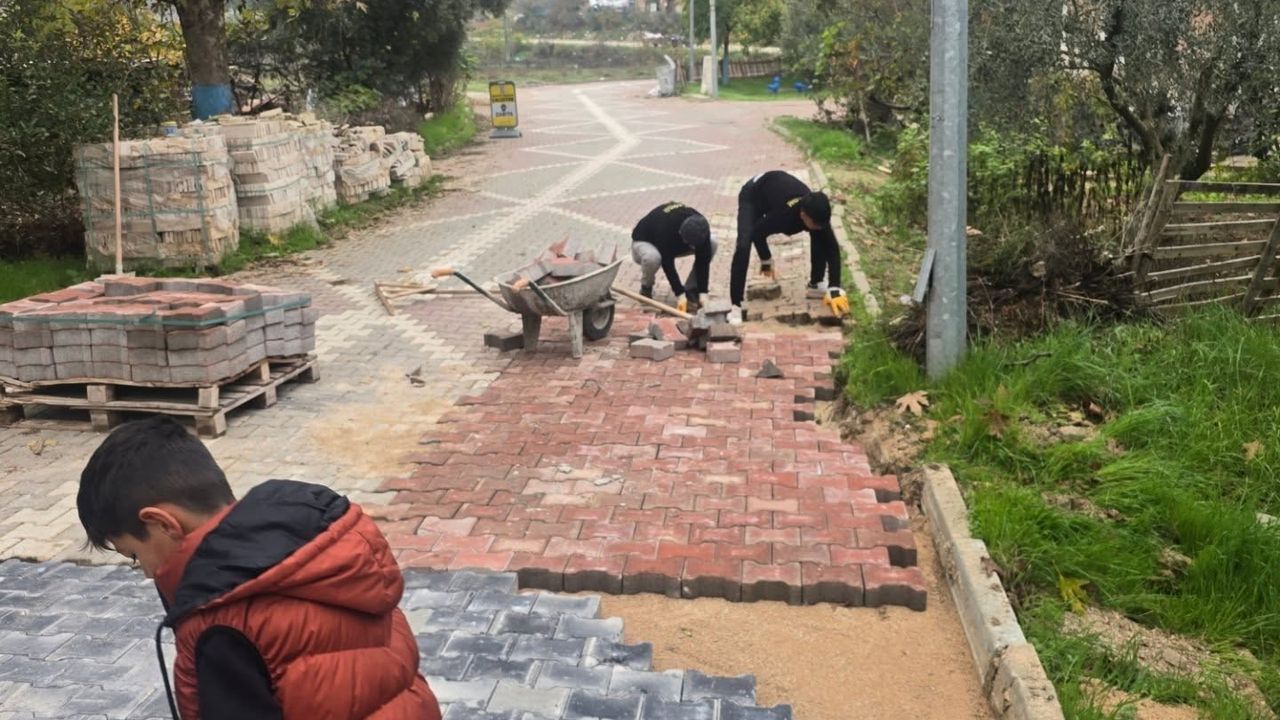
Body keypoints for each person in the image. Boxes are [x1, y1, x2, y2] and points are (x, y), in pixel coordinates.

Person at [76, 416, 441, 720]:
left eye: (135, 556)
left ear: (163, 524)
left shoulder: (224, 626)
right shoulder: (323, 549)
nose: (145, 573)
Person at [728, 170, 849, 323]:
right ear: (803, 215)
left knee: (821, 235)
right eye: (816, 223)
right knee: (744, 244)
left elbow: (832, 249)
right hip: (753, 194)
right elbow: (758, 234)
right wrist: (766, 263)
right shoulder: (782, 217)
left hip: (777, 190)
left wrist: (834, 288)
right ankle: (736, 305)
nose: (820, 226)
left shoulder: (815, 209)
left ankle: (816, 283)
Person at [630, 201, 716, 314]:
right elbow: (668, 264)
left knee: (713, 243)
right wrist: (680, 294)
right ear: (681, 233)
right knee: (653, 258)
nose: (692, 248)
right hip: (643, 242)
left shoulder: (701, 225)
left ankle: (691, 290)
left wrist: (703, 292)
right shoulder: (666, 229)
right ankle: (646, 288)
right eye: (690, 244)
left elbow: (703, 258)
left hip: (674, 243)